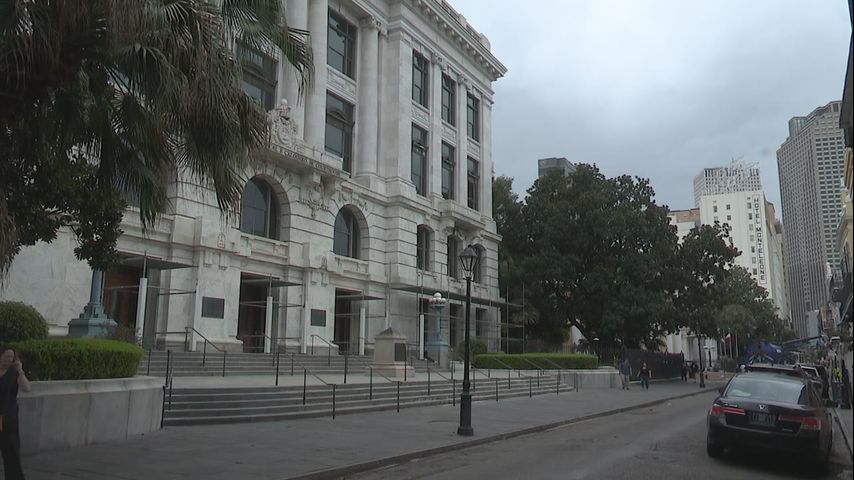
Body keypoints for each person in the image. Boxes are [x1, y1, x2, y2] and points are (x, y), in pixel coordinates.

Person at [0, 348, 31, 480]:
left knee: (11, 451)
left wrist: (20, 370)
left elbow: (27, 388)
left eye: (11, 357)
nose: (9, 359)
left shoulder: (14, 372)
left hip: (8, 417)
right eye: (6, 356)